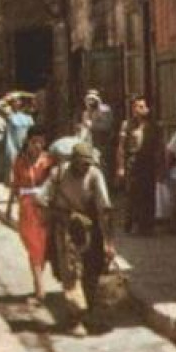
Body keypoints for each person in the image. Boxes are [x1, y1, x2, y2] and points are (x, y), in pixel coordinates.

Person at [36, 141, 114, 336]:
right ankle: (76, 317)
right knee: (71, 272)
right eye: (82, 163)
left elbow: (105, 209)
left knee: (92, 270)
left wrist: (108, 242)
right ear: (73, 161)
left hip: (90, 228)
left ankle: (88, 311)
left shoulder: (95, 175)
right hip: (65, 228)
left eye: (89, 163)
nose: (85, 167)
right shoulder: (59, 174)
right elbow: (40, 200)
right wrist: (57, 216)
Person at [6, 126, 54, 304]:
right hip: (27, 208)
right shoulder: (20, 160)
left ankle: (39, 289)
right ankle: (39, 288)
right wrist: (9, 207)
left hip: (44, 207)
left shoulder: (48, 160)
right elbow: (16, 184)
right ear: (28, 141)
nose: (39, 146)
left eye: (42, 142)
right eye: (35, 142)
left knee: (41, 248)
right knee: (33, 247)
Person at [116, 96, 159, 236]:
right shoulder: (127, 125)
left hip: (148, 161)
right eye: (137, 107)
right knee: (133, 193)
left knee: (148, 193)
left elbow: (159, 146)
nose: (141, 110)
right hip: (133, 161)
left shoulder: (153, 125)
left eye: (143, 107)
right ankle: (130, 223)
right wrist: (121, 167)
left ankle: (147, 226)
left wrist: (161, 165)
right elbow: (121, 147)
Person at [1, 96, 34, 185]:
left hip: (25, 144)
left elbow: (31, 132)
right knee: (13, 165)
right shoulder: (9, 115)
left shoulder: (28, 118)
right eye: (14, 101)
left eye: (18, 101)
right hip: (12, 144)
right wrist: (6, 99)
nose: (17, 103)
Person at [78, 89, 114, 170]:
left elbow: (107, 126)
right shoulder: (86, 113)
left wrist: (92, 125)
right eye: (89, 100)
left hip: (103, 142)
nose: (91, 102)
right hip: (90, 143)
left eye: (93, 99)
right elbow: (84, 129)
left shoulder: (105, 110)